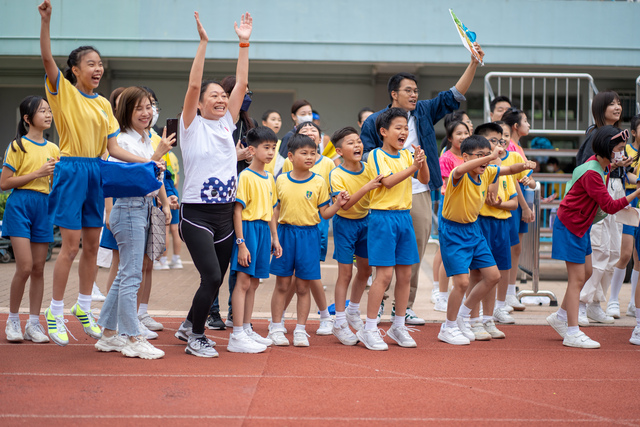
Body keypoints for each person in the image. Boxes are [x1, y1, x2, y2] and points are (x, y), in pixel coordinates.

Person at [38, 0, 155, 346]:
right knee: (70, 246)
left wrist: (145, 163)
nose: (98, 68)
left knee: (92, 247)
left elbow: (115, 149)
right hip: (73, 168)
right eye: (91, 63)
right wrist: (46, 22)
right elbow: (47, 59)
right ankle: (54, 311)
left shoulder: (105, 104)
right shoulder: (64, 94)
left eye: (100, 64)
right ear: (74, 69)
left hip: (97, 170)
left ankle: (84, 306)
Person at [361, 43, 485, 325]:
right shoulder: (375, 122)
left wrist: (473, 63)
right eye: (408, 90)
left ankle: (404, 309)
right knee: (383, 259)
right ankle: (378, 305)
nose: (414, 94)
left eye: (416, 90)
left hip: (419, 191)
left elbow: (455, 93)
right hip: (387, 194)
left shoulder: (425, 111)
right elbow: (368, 156)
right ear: (394, 94)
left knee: (413, 254)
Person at [174, 11, 252, 358]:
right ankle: (196, 337)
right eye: (215, 96)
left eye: (225, 95)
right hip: (196, 215)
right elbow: (193, 85)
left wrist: (244, 43)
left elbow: (243, 84)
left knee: (216, 277)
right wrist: (204, 44)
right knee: (212, 277)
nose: (222, 99)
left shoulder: (227, 125)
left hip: (224, 215)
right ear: (201, 102)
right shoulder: (191, 126)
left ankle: (188, 324)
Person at [94, 86, 174, 359]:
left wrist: (163, 201)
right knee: (131, 275)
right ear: (125, 111)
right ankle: (132, 337)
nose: (146, 112)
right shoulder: (123, 141)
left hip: (141, 209)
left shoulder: (143, 138)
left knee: (125, 275)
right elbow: (134, 180)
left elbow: (151, 179)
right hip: (128, 209)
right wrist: (157, 155)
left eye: (149, 106)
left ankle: (107, 334)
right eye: (139, 108)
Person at [437, 135, 535, 346]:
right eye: (479, 156)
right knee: (462, 282)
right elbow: (461, 170)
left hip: (473, 229)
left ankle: (463, 316)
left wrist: (524, 164)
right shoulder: (458, 174)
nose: (485, 161)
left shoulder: (488, 171)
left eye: (486, 156)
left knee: (493, 276)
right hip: (453, 231)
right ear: (465, 157)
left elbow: (509, 170)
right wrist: (490, 156)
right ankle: (448, 326)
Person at [547, 126, 640, 348]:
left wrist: (615, 164)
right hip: (571, 226)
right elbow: (608, 205)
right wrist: (636, 193)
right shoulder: (592, 173)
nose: (621, 153)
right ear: (607, 149)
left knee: (587, 272)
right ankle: (572, 331)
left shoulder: (599, 165)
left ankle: (560, 317)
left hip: (579, 226)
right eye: (618, 149)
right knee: (577, 279)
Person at [356, 108, 429, 350]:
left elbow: (425, 180)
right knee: (384, 276)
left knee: (405, 274)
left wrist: (422, 163)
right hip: (382, 218)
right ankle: (369, 328)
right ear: (383, 132)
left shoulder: (409, 155)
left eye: (406, 129)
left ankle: (398, 326)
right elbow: (387, 182)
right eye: (398, 128)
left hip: (403, 217)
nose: (404, 132)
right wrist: (413, 167)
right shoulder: (376, 154)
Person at [267, 134, 349, 347]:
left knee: (303, 286)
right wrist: (274, 237)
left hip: (309, 236)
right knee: (282, 284)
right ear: (291, 157)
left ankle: (301, 330)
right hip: (285, 234)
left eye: (313, 153)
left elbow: (325, 212)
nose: (310, 157)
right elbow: (275, 211)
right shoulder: (281, 179)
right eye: (304, 153)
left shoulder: (320, 181)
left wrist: (338, 204)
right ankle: (276, 327)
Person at [2, 96, 59, 343]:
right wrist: (37, 173)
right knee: (24, 267)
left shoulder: (54, 148)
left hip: (43, 207)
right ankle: (12, 320)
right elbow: (4, 183)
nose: (48, 115)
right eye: (42, 111)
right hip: (20, 205)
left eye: (49, 111)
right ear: (27, 118)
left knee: (38, 268)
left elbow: (55, 185)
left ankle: (33, 324)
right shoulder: (17, 146)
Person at [574, 92, 629, 326]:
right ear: (600, 108)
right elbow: (588, 169)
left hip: (617, 188)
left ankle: (596, 303)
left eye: (618, 103)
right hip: (600, 194)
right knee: (599, 250)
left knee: (614, 251)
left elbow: (615, 167)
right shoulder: (594, 135)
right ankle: (580, 305)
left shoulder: (618, 136)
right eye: (611, 104)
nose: (617, 107)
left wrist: (622, 168)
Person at [228, 126, 281, 353]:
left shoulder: (269, 177)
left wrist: (274, 237)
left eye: (273, 148)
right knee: (242, 282)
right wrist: (241, 243)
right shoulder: (245, 176)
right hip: (248, 230)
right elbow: (237, 211)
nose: (270, 153)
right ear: (252, 149)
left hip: (262, 230)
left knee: (255, 283)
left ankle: (247, 328)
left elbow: (271, 210)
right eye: (266, 148)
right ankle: (237, 333)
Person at [280, 121, 336, 335]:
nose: (310, 133)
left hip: (315, 227)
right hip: (291, 227)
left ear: (320, 139)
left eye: (314, 131)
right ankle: (285, 316)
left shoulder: (328, 163)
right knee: (299, 275)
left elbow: (327, 201)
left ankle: (322, 316)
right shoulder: (288, 164)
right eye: (304, 131)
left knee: (310, 274)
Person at [328, 127, 383, 345]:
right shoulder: (336, 174)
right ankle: (339, 322)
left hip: (366, 221)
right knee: (345, 274)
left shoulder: (369, 168)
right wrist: (368, 186)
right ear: (340, 151)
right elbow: (345, 204)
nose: (357, 145)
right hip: (345, 224)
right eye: (351, 143)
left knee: (366, 269)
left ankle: (352, 310)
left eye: (358, 141)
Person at [466, 123, 518, 340]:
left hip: (501, 225)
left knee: (494, 276)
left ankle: (488, 319)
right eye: (492, 142)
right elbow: (490, 195)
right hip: (482, 223)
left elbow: (512, 202)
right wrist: (493, 161)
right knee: (478, 274)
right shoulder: (482, 171)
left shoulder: (501, 170)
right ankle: (472, 319)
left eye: (500, 141)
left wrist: (501, 205)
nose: (498, 145)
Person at [500, 108, 536, 316]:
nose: (528, 124)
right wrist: (524, 206)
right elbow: (514, 182)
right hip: (513, 202)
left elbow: (525, 179)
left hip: (519, 200)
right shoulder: (509, 149)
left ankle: (509, 291)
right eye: (525, 120)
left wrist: (530, 182)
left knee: (516, 249)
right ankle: (504, 294)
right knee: (510, 248)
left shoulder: (517, 148)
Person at [433, 120, 470, 313]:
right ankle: (441, 294)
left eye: (466, 132)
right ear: (450, 138)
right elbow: (449, 187)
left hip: (466, 210)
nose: (463, 136)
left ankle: (460, 295)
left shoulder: (470, 157)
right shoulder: (446, 158)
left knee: (462, 254)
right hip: (450, 209)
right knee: (447, 253)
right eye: (458, 133)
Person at [609, 114, 640, 319]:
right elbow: (625, 174)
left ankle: (632, 304)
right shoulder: (625, 149)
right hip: (629, 202)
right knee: (626, 253)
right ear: (635, 132)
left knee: (639, 260)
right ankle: (612, 300)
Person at [273, 99, 313, 176]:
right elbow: (280, 165)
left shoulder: (313, 136)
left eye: (309, 113)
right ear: (294, 116)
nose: (307, 117)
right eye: (303, 114)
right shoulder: (289, 137)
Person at [262, 110, 282, 176]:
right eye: (273, 119)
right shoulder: (259, 142)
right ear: (264, 122)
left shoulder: (282, 144)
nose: (277, 123)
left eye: (279, 120)